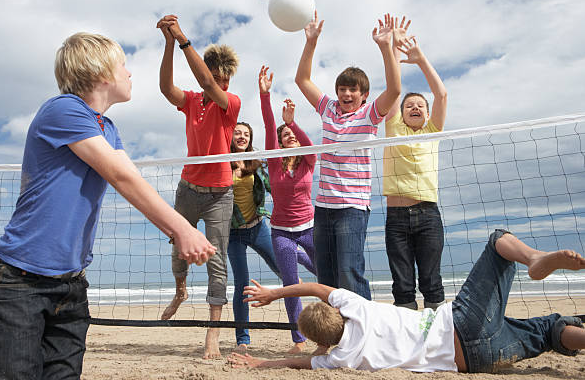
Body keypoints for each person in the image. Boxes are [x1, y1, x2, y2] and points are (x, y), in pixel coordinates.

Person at [0, 32, 215, 379]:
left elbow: (133, 182)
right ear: (102, 72)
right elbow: (122, 177)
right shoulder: (63, 109)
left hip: (72, 285)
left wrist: (178, 230)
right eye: (124, 65)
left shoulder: (109, 128)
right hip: (20, 280)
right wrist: (181, 228)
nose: (130, 73)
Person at [228, 229, 585, 372]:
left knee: (547, 331)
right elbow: (317, 288)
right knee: (496, 241)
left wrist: (260, 363)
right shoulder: (357, 308)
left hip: (475, 361)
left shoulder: (341, 358)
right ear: (337, 309)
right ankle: (534, 257)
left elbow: (299, 363)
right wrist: (274, 292)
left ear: (323, 342)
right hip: (459, 323)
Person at [294, 13, 407, 299]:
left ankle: (364, 333)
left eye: (352, 89)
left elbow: (394, 89)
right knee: (327, 276)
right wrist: (311, 41)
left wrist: (385, 47)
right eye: (342, 88)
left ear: (363, 94)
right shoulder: (328, 109)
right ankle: (333, 336)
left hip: (352, 208)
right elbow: (302, 79)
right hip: (323, 207)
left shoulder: (369, 114)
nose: (346, 93)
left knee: (349, 271)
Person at [157, 14, 240, 359]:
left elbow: (207, 84)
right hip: (189, 189)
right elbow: (166, 89)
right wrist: (168, 45)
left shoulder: (229, 103)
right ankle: (180, 291)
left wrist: (182, 38)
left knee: (216, 261)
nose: (221, 84)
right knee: (179, 247)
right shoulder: (191, 101)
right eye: (217, 77)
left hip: (220, 193)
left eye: (225, 80)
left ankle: (213, 336)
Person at [383, 36, 448, 310]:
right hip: (396, 218)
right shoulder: (393, 127)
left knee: (431, 281)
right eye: (410, 105)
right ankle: (408, 341)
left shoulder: (433, 131)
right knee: (403, 285)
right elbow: (394, 90)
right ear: (401, 113)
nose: (415, 108)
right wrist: (393, 54)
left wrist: (420, 59)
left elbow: (442, 94)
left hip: (428, 215)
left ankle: (438, 340)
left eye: (421, 105)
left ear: (429, 113)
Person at [260, 66, 318, 354]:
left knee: (326, 274)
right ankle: (298, 340)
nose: (288, 137)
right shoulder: (273, 162)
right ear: (280, 143)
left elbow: (308, 145)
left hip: (308, 227)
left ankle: (332, 327)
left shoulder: (308, 161)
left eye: (291, 135)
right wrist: (264, 94)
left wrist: (292, 123)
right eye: (285, 136)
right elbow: (270, 127)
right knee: (290, 284)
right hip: (281, 230)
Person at [228, 121, 282, 352]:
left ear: (250, 138)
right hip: (232, 233)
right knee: (242, 284)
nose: (242, 137)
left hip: (258, 226)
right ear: (230, 137)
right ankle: (243, 339)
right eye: (237, 133)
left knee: (285, 270)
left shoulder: (258, 161)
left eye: (246, 134)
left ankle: (301, 328)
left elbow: (276, 185)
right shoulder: (220, 161)